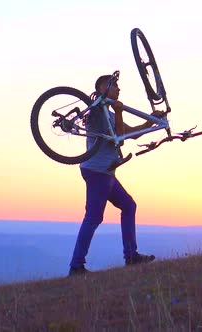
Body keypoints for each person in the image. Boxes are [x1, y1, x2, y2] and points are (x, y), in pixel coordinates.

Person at [68, 74, 162, 276]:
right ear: (103, 87)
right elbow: (119, 136)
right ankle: (76, 266)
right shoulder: (97, 112)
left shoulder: (109, 114)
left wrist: (152, 123)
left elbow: (129, 133)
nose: (118, 90)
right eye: (115, 86)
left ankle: (131, 256)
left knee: (129, 205)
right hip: (97, 172)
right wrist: (119, 111)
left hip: (106, 173)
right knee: (93, 217)